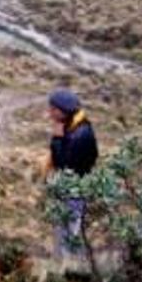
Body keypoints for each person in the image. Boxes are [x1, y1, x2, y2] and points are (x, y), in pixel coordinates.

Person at [44, 87, 98, 256]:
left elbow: (64, 164)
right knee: (66, 231)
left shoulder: (78, 135)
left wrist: (57, 139)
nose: (50, 113)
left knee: (67, 232)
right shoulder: (76, 126)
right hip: (72, 189)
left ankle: (68, 269)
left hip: (73, 193)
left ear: (63, 111)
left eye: (53, 109)